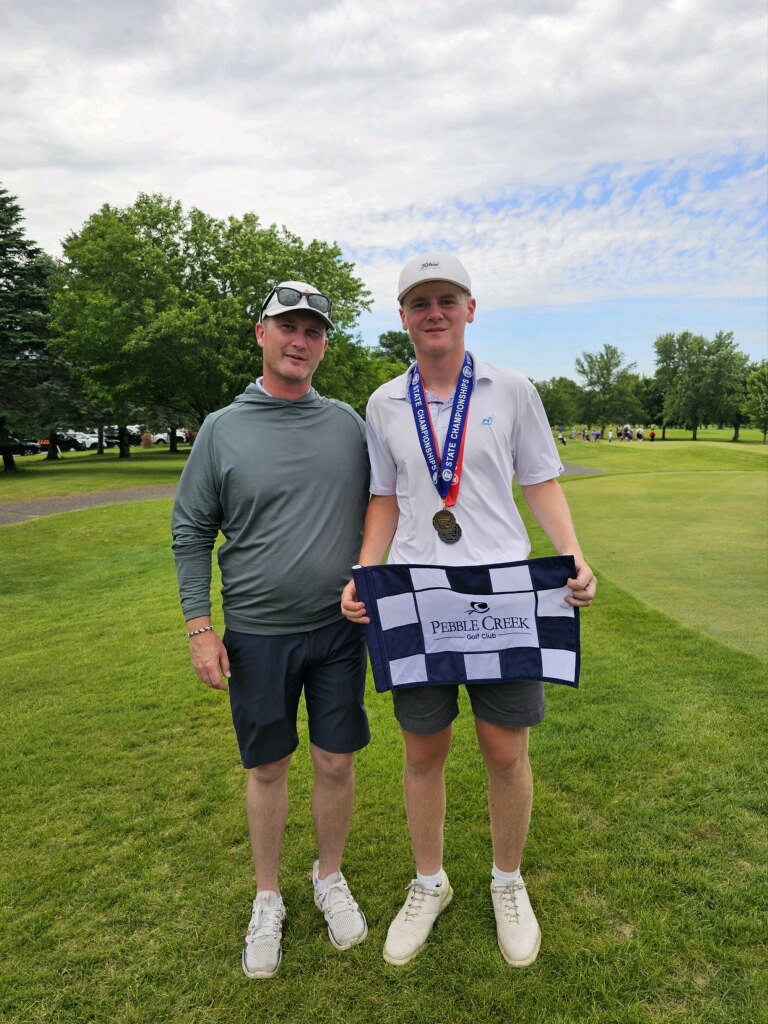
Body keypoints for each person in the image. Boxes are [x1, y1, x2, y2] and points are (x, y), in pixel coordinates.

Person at [341, 253, 596, 968]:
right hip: (419, 598)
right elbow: (385, 496)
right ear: (402, 317)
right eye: (419, 301)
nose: (434, 311)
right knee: (424, 752)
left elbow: (541, 480)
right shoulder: (385, 402)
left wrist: (571, 553)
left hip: (506, 594)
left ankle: (507, 882)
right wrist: (368, 570)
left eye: (446, 298)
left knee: (505, 751)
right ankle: (430, 883)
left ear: (470, 308)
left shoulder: (512, 390)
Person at [172, 281, 371, 980]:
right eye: (289, 326)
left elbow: (388, 507)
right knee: (267, 767)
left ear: (323, 344)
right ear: (261, 333)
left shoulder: (348, 423)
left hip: (338, 632)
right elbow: (191, 529)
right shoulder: (224, 428)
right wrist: (200, 626)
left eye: (314, 330)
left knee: (337, 761)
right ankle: (267, 897)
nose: (301, 340)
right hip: (256, 633)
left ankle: (330, 875)